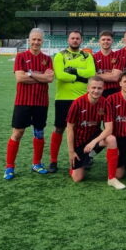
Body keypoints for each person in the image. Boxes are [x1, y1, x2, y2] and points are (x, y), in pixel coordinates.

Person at [3, 28, 55, 180]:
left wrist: (30, 74)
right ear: (29, 40)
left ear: (42, 41)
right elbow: (20, 78)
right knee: (18, 133)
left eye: (39, 40)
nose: (36, 42)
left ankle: (37, 164)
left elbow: (50, 79)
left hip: (41, 102)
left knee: (39, 132)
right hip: (23, 102)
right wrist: (40, 76)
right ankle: (9, 167)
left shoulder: (47, 59)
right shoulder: (21, 56)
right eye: (34, 39)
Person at [65, 76, 126, 189]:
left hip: (94, 137)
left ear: (103, 89)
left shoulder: (105, 103)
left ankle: (111, 178)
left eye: (99, 88)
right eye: (93, 88)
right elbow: (69, 128)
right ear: (88, 88)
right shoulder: (77, 103)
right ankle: (82, 161)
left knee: (111, 139)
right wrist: (71, 151)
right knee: (78, 178)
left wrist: (94, 142)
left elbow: (109, 129)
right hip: (79, 142)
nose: (96, 91)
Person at [50, 30, 96, 173]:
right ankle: (53, 161)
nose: (75, 40)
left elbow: (91, 73)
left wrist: (74, 71)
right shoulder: (60, 55)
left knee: (82, 130)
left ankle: (83, 158)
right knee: (59, 128)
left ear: (81, 40)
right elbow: (60, 75)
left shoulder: (87, 56)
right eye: (72, 38)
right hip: (63, 98)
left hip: (82, 99)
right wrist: (80, 77)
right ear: (68, 40)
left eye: (77, 38)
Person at [92, 30, 123, 97]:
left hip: (114, 91)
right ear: (99, 41)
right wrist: (110, 74)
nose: (106, 41)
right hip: (98, 91)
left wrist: (97, 74)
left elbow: (115, 77)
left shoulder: (118, 56)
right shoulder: (93, 57)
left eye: (108, 39)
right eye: (103, 39)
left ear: (112, 41)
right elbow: (92, 76)